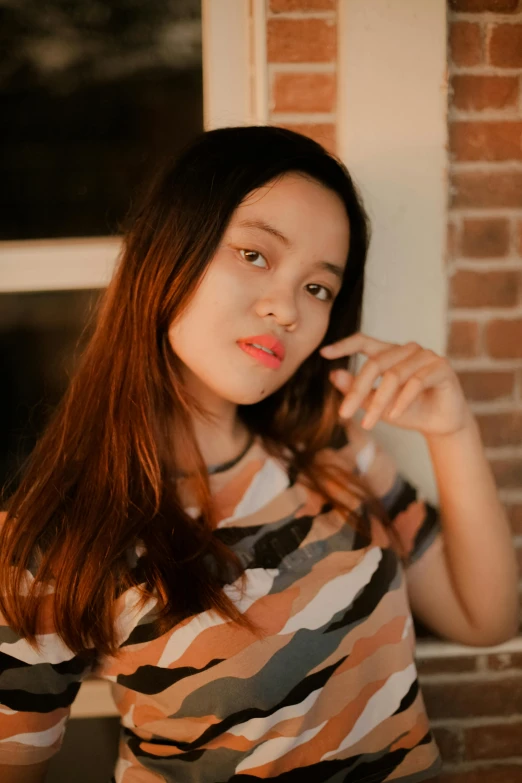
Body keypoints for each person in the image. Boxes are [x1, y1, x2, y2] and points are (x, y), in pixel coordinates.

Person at [0, 126, 518, 783]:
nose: (287, 309)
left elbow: (486, 616)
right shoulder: (50, 540)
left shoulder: (333, 448)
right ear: (168, 250)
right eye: (255, 254)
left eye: (318, 288)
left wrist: (452, 432)